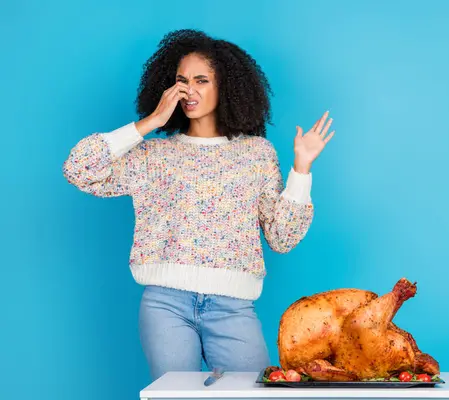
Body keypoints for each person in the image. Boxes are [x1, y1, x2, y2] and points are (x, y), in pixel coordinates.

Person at [62, 29, 334, 380]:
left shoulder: (256, 154)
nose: (188, 90)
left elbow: (283, 238)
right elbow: (78, 168)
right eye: (181, 80)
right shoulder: (153, 156)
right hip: (165, 305)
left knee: (255, 391)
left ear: (228, 87)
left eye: (202, 80)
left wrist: (301, 167)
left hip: (233, 307)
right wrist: (150, 123)